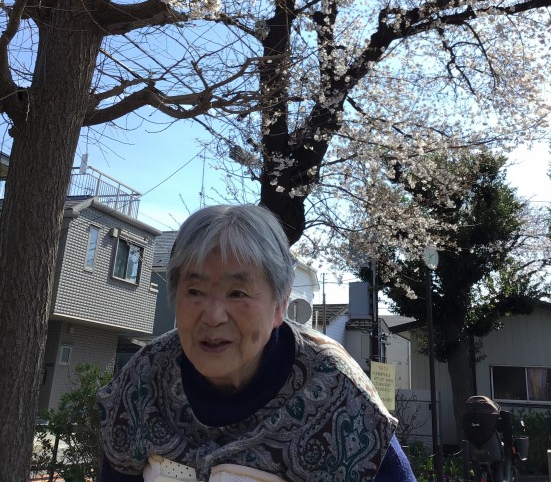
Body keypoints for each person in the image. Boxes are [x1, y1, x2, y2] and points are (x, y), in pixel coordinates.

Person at [98, 204, 417, 482]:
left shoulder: (338, 391)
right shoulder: (143, 378)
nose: (213, 316)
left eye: (237, 293)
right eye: (195, 291)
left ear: (280, 305)